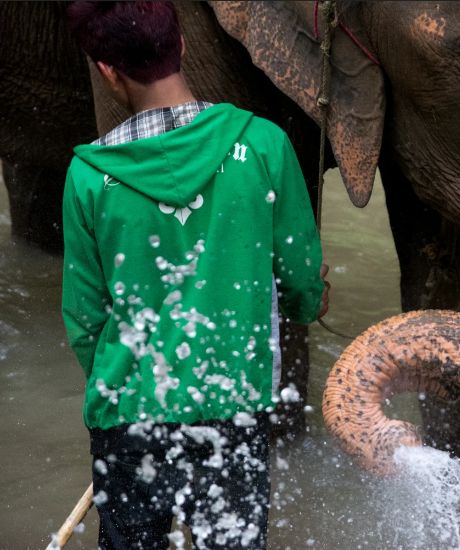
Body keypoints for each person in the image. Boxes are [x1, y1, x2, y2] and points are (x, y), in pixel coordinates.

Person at [61, 2, 329, 547]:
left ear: (107, 70)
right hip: (233, 411)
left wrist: (124, 387)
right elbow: (301, 282)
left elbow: (85, 317)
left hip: (128, 420)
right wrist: (309, 300)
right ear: (181, 46)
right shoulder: (262, 145)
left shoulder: (88, 176)